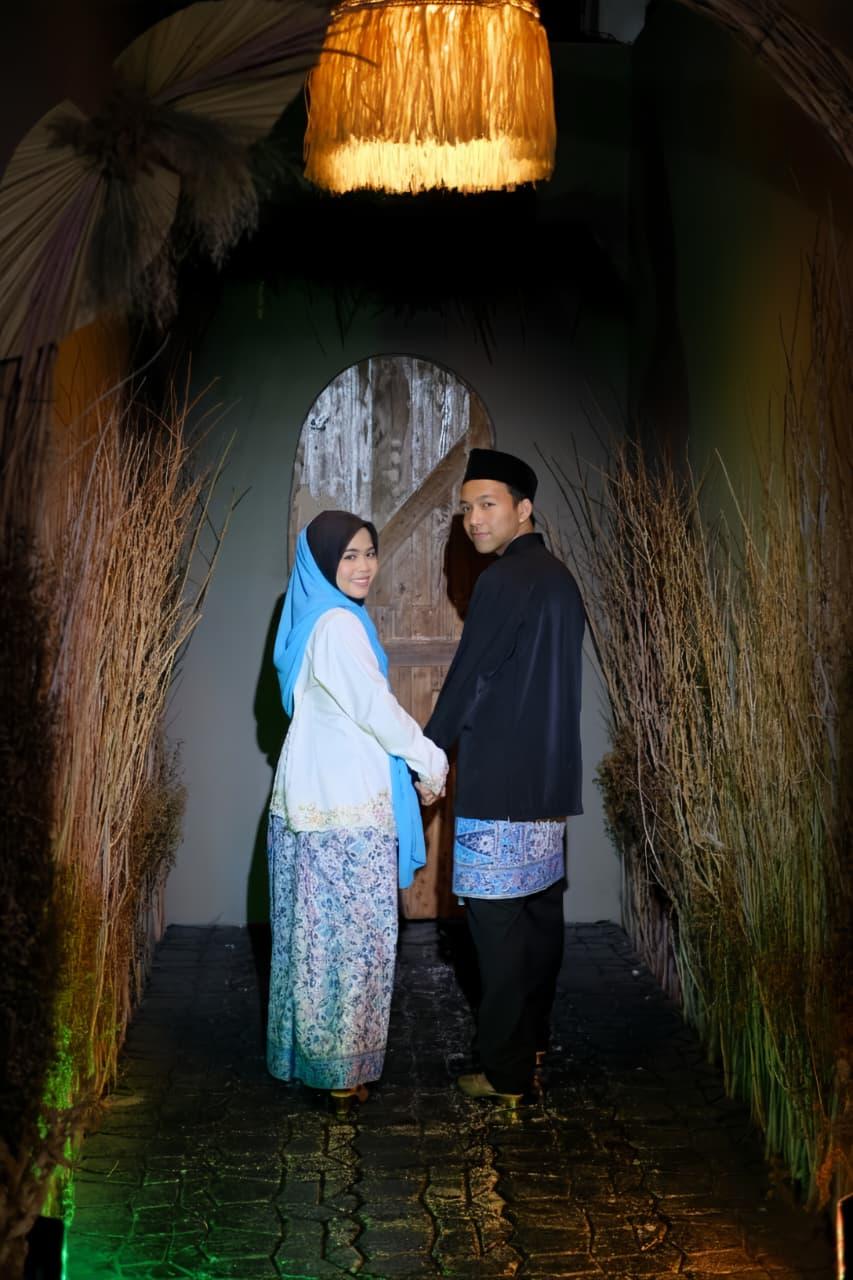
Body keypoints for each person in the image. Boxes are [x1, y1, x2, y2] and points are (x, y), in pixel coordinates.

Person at [267, 510, 448, 1114]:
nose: (365, 566)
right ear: (322, 563)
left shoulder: (311, 618)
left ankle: (316, 1061)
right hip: (344, 810)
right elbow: (376, 709)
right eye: (349, 556)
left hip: (310, 803)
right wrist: (431, 761)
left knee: (316, 941)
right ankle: (341, 1074)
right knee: (352, 944)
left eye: (369, 552)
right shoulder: (339, 625)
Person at [422, 448, 585, 1105]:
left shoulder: (502, 581)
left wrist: (428, 754)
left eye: (487, 505)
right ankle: (533, 1044)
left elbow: (468, 681)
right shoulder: (559, 579)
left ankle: (507, 1072)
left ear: (524, 509)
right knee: (538, 923)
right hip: (547, 785)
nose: (473, 519)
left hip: (498, 785)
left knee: (495, 934)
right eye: (466, 508)